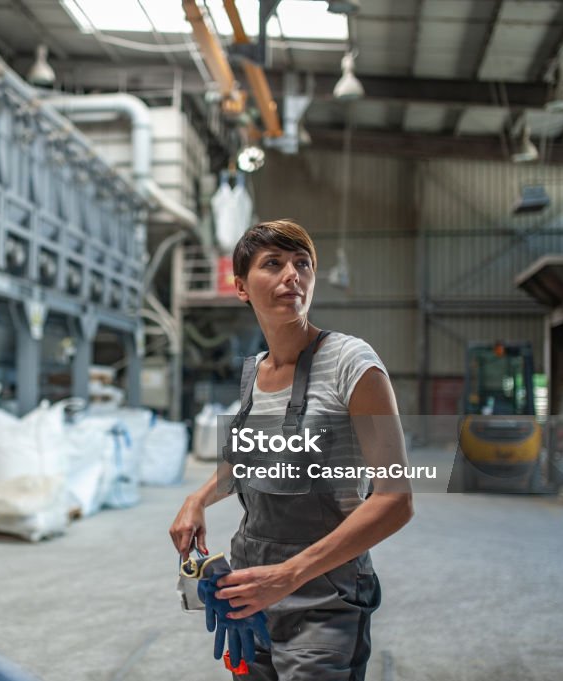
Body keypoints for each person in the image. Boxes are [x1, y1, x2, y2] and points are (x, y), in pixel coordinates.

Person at [169, 219, 414, 680]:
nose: (292, 275)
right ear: (241, 287)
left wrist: (289, 575)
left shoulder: (352, 364)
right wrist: (196, 498)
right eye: (274, 264)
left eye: (303, 264)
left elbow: (395, 500)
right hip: (250, 587)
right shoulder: (253, 373)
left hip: (324, 593)